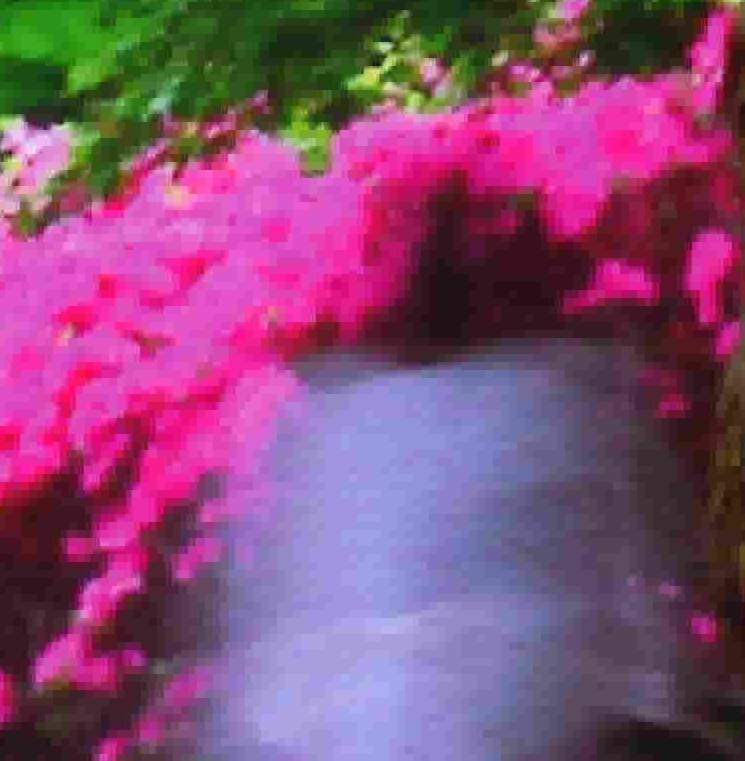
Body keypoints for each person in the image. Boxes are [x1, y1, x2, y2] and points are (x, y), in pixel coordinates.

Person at [205, 308, 714, 760]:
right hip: (517, 714)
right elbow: (646, 642)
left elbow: (265, 664)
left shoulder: (321, 425)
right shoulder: (556, 400)